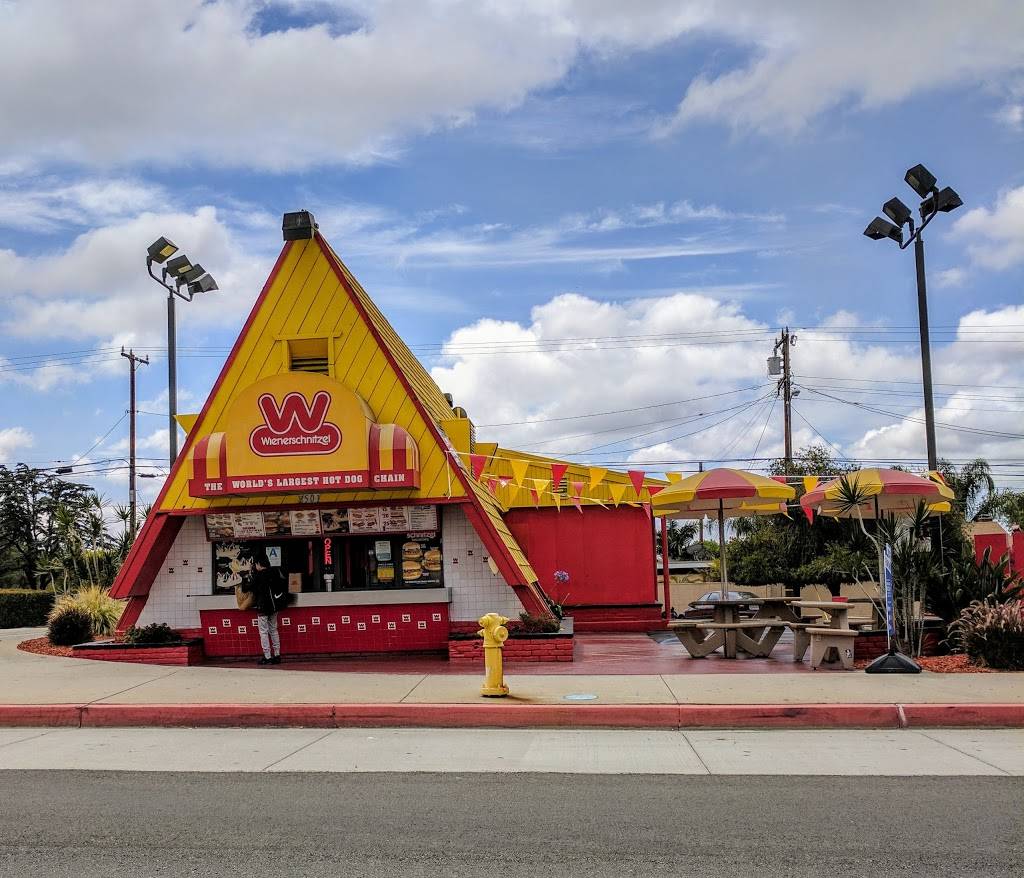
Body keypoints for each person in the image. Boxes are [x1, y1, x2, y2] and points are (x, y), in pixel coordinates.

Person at [246, 556, 287, 665]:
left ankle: (267, 656)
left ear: (259, 564)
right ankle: (277, 655)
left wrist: (248, 576)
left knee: (263, 632)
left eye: (256, 564)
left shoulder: (259, 575)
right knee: (273, 630)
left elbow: (248, 588)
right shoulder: (275, 572)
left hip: (263, 607)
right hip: (275, 606)